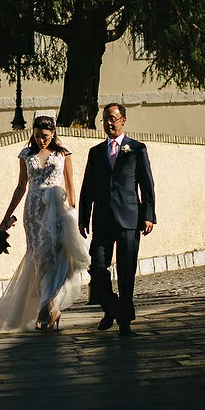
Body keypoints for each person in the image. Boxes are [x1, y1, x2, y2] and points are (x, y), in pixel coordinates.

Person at [0, 117, 90, 331]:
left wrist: (73, 211)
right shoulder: (26, 154)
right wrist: (6, 218)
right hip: (33, 211)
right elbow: (20, 187)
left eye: (44, 136)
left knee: (53, 256)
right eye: (36, 136)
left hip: (56, 209)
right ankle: (49, 309)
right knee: (37, 258)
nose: (41, 140)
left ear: (53, 133)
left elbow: (71, 185)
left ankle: (47, 307)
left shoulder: (63, 153)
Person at [78, 103, 156, 334]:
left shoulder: (137, 149)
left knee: (126, 270)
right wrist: (83, 218)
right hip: (102, 219)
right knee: (97, 267)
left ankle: (124, 321)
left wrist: (148, 215)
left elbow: (146, 184)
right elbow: (88, 187)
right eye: (105, 119)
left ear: (123, 120)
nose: (108, 123)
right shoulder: (95, 152)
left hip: (129, 219)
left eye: (112, 118)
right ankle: (112, 307)